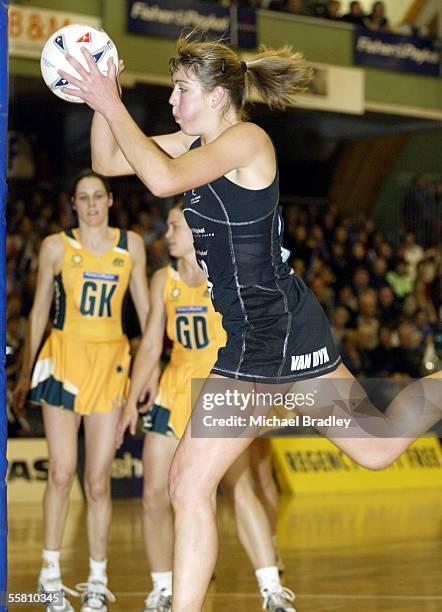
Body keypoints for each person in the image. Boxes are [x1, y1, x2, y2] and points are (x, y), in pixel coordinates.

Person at [59, 34, 440, 612]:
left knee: (189, 483)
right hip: (273, 329)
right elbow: (109, 161)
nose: (171, 101)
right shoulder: (194, 138)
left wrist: (112, 101)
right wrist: (97, 99)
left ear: (216, 96)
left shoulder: (246, 140)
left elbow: (159, 180)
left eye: (181, 90)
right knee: (376, 447)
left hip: (271, 332)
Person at [117, 205, 292, 612]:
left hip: (218, 388)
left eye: (175, 226)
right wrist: (131, 400)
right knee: (154, 496)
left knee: (238, 486)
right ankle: (163, 589)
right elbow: (149, 345)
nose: (168, 233)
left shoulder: (224, 275)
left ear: (197, 232)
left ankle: (271, 590)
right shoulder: (163, 279)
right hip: (174, 387)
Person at [12, 170, 150, 612]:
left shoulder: (132, 246)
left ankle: (96, 579)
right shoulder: (56, 246)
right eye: (82, 198)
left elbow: (148, 315)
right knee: (60, 471)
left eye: (98, 196)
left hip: (110, 363)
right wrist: (24, 371)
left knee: (96, 481)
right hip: (64, 358)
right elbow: (36, 314)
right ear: (73, 204)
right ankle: (49, 576)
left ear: (110, 200)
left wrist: (150, 372)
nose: (91, 204)